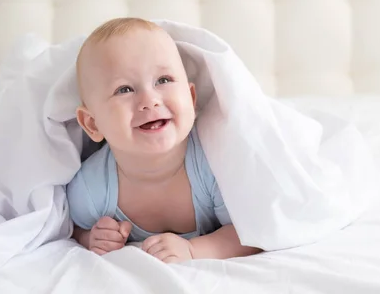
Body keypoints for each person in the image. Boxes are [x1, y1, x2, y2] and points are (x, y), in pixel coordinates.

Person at [66, 17, 261, 263]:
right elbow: (71, 228)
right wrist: (92, 237)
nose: (150, 100)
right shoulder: (90, 189)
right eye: (124, 89)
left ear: (191, 99)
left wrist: (194, 250)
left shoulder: (215, 166)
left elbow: (253, 232)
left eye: (163, 80)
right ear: (92, 124)